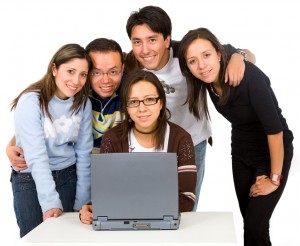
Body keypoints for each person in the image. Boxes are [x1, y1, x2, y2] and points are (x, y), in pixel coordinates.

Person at [123, 5, 256, 211]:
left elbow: (245, 53)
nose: (145, 50)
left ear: (166, 40)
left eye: (152, 40)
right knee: (148, 210)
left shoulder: (187, 55)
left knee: (185, 211)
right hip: (149, 146)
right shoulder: (130, 63)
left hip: (192, 143)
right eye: (137, 42)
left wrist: (239, 58)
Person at [177, 27, 294, 246]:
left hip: (272, 149)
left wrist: (273, 178)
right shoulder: (206, 79)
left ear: (219, 54)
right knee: (250, 219)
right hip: (241, 148)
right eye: (192, 61)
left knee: (254, 226)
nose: (201, 65)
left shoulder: (249, 77)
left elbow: (275, 131)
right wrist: (240, 54)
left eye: (206, 56)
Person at [79, 70, 197, 224]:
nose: (142, 108)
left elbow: (187, 200)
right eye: (133, 101)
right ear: (126, 106)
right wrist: (92, 208)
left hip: (164, 225)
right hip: (122, 225)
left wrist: (130, 204)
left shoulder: (181, 139)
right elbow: (106, 195)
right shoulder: (112, 139)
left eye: (149, 99)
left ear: (161, 102)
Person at [10, 43, 94, 237]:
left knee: (69, 238)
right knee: (35, 238)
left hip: (68, 176)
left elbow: (84, 152)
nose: (77, 80)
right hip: (30, 178)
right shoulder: (30, 101)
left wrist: (82, 200)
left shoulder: (83, 103)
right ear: (54, 69)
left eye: (83, 74)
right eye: (70, 71)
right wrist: (50, 203)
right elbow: (37, 155)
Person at [6, 38, 126, 167]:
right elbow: (43, 121)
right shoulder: (74, 92)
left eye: (113, 72)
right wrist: (12, 144)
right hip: (80, 169)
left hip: (119, 167)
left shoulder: (133, 91)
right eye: (96, 72)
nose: (105, 80)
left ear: (122, 68)